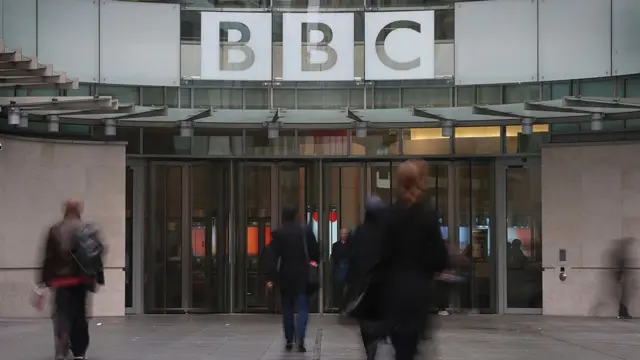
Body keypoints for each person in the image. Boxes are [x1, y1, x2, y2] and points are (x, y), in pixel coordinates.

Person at [377, 161, 449, 360]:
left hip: (393, 295)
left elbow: (381, 256)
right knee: (412, 347)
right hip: (418, 294)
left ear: (398, 184)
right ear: (419, 182)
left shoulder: (389, 216)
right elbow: (440, 258)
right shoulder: (427, 216)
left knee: (400, 349)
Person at [39, 199, 105, 360]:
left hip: (61, 281)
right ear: (79, 211)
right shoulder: (87, 229)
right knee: (80, 314)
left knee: (62, 315)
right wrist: (98, 277)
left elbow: (49, 258)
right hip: (81, 280)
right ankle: (80, 352)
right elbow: (96, 255)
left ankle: (62, 349)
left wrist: (44, 280)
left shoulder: (55, 229)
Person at [267, 207, 320, 352]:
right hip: (303, 275)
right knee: (303, 307)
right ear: (297, 216)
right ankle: (300, 339)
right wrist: (314, 262)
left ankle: (289, 340)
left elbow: (272, 257)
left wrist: (271, 276)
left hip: (285, 275)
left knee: (288, 308)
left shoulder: (279, 234)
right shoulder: (306, 231)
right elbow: (315, 252)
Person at [344, 195, 388, 360]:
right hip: (382, 284)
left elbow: (353, 257)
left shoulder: (360, 232)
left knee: (367, 323)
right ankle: (378, 344)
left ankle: (371, 349)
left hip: (364, 285)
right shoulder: (386, 232)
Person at [331, 228, 352, 309]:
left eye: (346, 233)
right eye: (343, 233)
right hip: (338, 268)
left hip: (348, 269)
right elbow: (333, 256)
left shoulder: (351, 245)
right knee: (338, 288)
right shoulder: (335, 245)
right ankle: (338, 305)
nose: (344, 235)